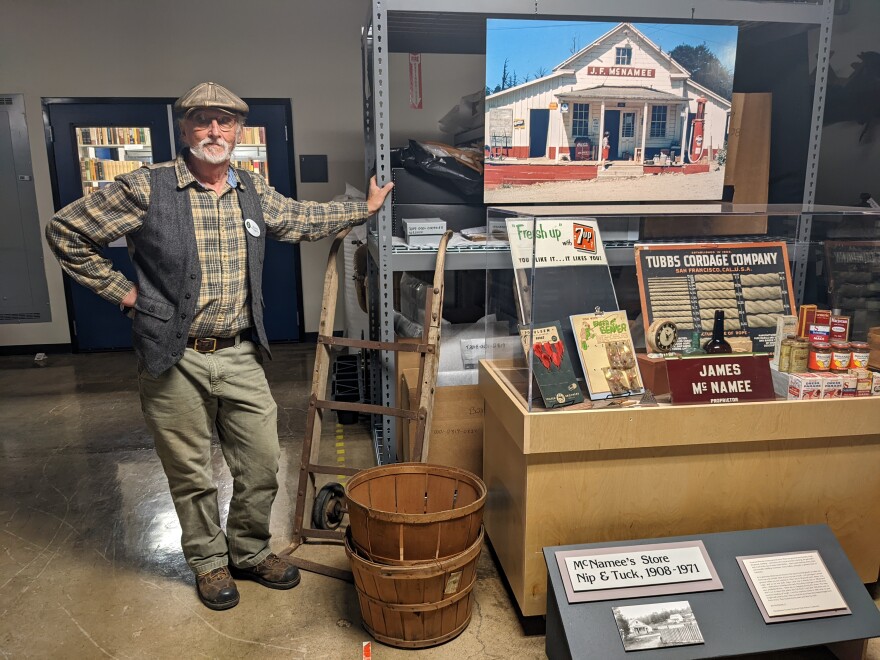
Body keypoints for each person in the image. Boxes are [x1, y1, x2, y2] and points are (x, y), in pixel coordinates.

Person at [45, 81, 393, 611]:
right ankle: (209, 562)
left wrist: (364, 210)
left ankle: (249, 551)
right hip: (172, 354)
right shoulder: (149, 186)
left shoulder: (251, 189)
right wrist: (124, 293)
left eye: (225, 122)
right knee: (190, 472)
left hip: (239, 353)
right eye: (203, 120)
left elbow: (300, 218)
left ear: (237, 131)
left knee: (261, 461)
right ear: (184, 129)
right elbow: (67, 231)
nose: (214, 130)